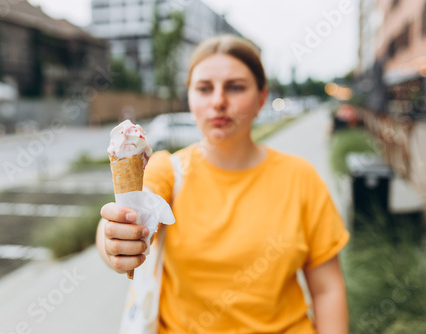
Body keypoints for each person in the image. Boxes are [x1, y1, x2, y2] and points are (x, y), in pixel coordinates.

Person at [96, 34, 350, 333]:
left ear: (261, 98)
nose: (218, 101)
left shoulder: (301, 177)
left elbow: (327, 289)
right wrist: (114, 241)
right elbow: (130, 213)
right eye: (204, 88)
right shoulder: (167, 170)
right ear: (189, 98)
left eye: (236, 87)